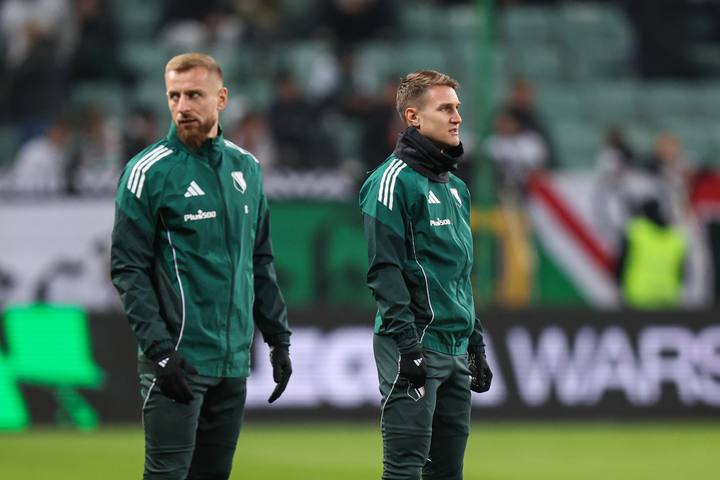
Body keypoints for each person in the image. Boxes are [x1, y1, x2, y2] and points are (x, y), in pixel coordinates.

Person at [110, 53, 292, 480]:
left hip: (231, 363)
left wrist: (278, 338)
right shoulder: (147, 172)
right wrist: (160, 351)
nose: (182, 106)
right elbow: (127, 269)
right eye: (173, 96)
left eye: (194, 95)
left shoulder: (247, 168)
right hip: (178, 360)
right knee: (167, 474)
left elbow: (259, 260)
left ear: (221, 98)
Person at [359, 70, 492, 479]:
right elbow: (385, 272)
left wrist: (475, 341)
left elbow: (458, 275)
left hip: (455, 347)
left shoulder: (457, 189)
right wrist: (407, 346)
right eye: (445, 108)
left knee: (447, 473)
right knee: (404, 469)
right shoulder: (391, 182)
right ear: (413, 117)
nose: (457, 117)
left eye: (458, 108)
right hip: (414, 344)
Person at [616, 197, 687, 309]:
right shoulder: (676, 237)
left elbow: (622, 262)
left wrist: (619, 284)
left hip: (638, 296)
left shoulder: (637, 230)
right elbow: (682, 271)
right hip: (667, 297)